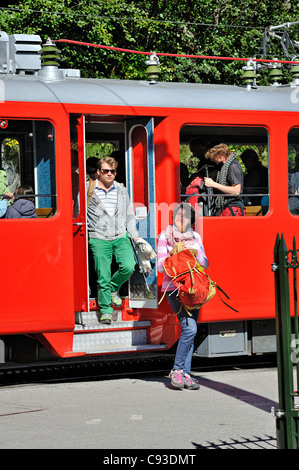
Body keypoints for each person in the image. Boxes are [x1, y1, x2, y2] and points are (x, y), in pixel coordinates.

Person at [157, 202, 208, 390]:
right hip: (174, 289)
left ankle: (185, 374)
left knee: (190, 331)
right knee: (190, 329)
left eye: (185, 216)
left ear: (190, 221)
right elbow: (160, 266)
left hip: (194, 290)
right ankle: (177, 371)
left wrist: (194, 254)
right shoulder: (165, 237)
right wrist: (176, 254)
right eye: (178, 214)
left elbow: (206, 262)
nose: (181, 218)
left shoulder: (195, 237)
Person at [87, 156, 140, 325]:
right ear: (98, 172)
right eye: (105, 171)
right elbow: (80, 213)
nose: (109, 174)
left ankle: (112, 289)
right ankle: (106, 311)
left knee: (129, 266)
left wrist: (135, 235)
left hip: (120, 235)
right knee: (103, 275)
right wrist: (90, 232)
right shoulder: (89, 189)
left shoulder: (122, 190)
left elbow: (129, 214)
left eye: (112, 171)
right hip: (98, 238)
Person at [204, 143, 244, 216]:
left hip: (232, 208)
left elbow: (236, 191)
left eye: (213, 157)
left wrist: (213, 184)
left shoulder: (233, 166)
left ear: (221, 154)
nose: (212, 160)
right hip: (227, 207)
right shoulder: (225, 166)